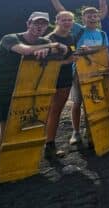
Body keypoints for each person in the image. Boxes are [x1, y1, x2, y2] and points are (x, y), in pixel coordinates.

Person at [0, 12, 65, 197]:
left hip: (18, 94)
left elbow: (65, 51)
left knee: (8, 131)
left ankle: (1, 165)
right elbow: (24, 51)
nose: (39, 27)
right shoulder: (10, 38)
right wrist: (52, 45)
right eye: (36, 23)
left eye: (43, 25)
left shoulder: (41, 41)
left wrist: (55, 47)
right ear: (28, 23)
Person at [48, 0, 109, 146]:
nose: (92, 18)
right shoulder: (78, 30)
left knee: (95, 101)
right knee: (77, 103)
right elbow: (63, 13)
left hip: (97, 72)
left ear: (98, 18)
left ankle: (93, 129)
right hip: (78, 73)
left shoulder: (102, 34)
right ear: (83, 18)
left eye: (95, 16)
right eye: (89, 16)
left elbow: (106, 52)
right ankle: (76, 132)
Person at [43, 11, 78, 160]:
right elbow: (43, 63)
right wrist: (66, 62)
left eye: (70, 20)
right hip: (49, 80)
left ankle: (50, 145)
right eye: (64, 20)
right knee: (45, 112)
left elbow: (73, 54)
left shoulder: (71, 37)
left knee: (56, 112)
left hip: (65, 79)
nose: (67, 22)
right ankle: (42, 144)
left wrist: (74, 57)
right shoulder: (48, 39)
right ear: (57, 21)